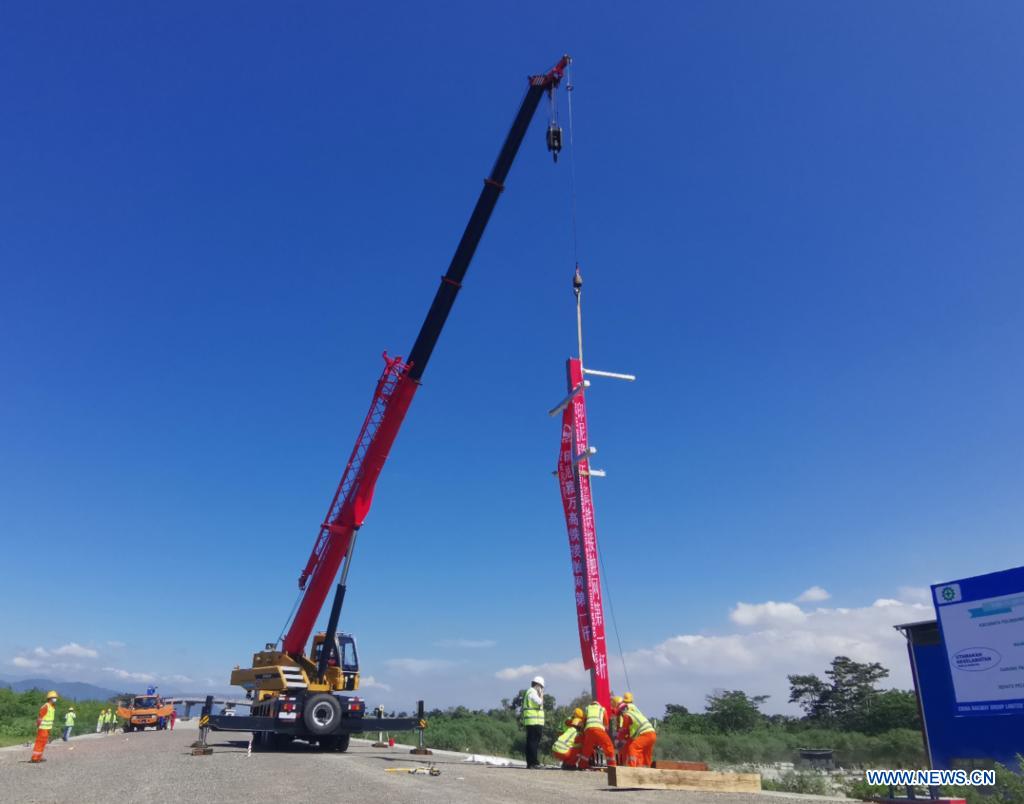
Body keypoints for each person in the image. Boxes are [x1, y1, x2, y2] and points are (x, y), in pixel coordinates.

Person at [618, 692, 657, 767]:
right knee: (646, 753)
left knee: (632, 747)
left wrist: (619, 739)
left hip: (645, 734)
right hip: (652, 734)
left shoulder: (627, 715)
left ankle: (632, 767)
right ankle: (645, 769)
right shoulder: (635, 711)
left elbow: (624, 729)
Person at [578, 698, 616, 770]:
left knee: (587, 748)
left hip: (588, 730)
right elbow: (606, 723)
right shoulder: (602, 709)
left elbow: (584, 721)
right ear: (598, 704)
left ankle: (582, 765)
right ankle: (612, 765)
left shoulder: (587, 708)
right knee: (608, 746)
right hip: (599, 729)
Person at [519, 675, 545, 768]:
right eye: (541, 687)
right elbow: (539, 702)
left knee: (531, 742)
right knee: (533, 742)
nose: (541, 689)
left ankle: (531, 762)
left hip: (533, 721)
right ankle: (533, 762)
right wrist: (541, 695)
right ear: (538, 685)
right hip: (534, 721)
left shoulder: (530, 692)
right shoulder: (532, 692)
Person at [30, 690, 59, 763]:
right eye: (54, 697)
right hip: (43, 728)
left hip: (47, 728)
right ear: (50, 698)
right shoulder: (45, 706)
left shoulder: (52, 707)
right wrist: (38, 725)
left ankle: (39, 756)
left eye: (55, 697)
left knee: (43, 743)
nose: (55, 699)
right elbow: (40, 717)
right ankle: (35, 758)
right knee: (39, 743)